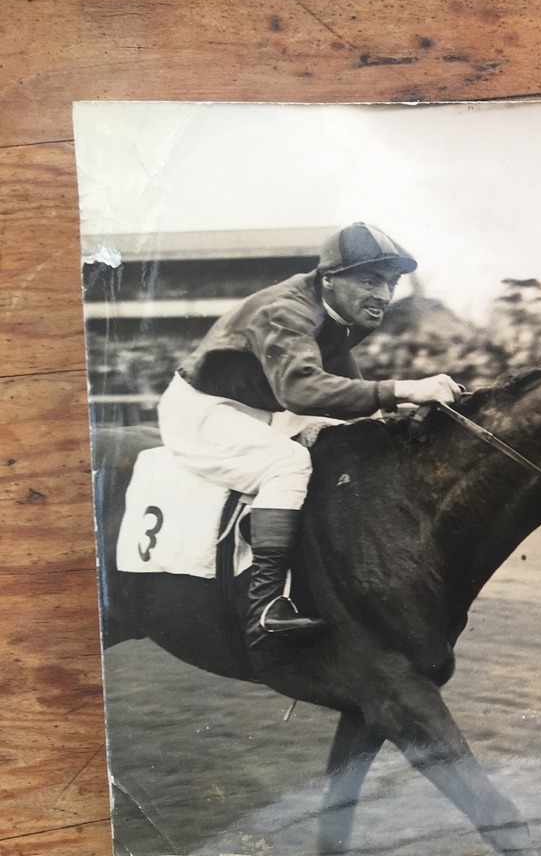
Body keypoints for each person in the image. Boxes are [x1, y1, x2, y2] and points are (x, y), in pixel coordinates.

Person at [156, 222, 462, 652]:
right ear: (330, 278)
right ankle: (263, 605)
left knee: (356, 438)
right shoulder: (287, 310)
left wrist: (386, 411)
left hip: (262, 410)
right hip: (203, 409)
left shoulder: (343, 310)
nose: (383, 294)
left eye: (390, 283)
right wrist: (402, 388)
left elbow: (338, 371)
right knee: (288, 463)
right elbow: (299, 390)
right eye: (371, 279)